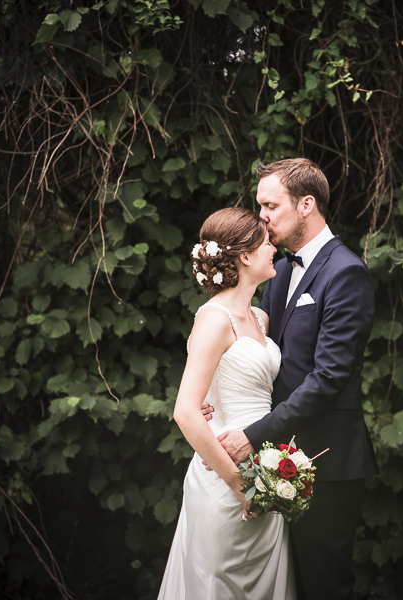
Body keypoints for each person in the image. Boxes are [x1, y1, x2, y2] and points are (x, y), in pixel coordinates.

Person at [217, 159, 378, 600]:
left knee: (322, 585)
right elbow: (256, 349)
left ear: (307, 204)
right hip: (275, 459)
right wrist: (218, 397)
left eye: (270, 204)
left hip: (326, 460)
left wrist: (253, 434)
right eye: (260, 205)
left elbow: (327, 379)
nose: (262, 216)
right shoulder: (281, 269)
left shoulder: (346, 273)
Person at [157, 207, 296, 600]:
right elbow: (186, 410)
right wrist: (240, 486)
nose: (274, 248)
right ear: (246, 256)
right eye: (266, 242)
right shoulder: (213, 319)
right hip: (224, 476)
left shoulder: (260, 318)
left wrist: (262, 482)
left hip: (268, 468)